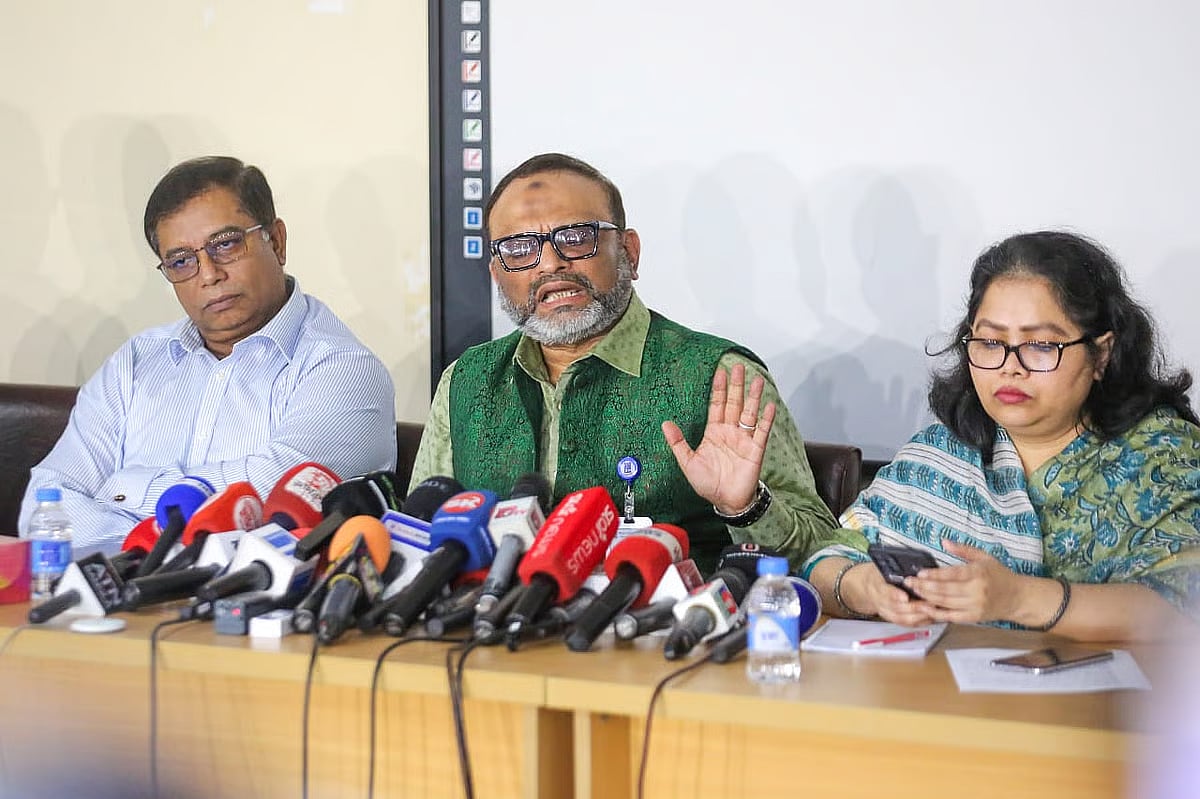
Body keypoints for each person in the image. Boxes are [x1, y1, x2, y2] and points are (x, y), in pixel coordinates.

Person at [408, 152, 837, 574]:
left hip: (670, 636)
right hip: (495, 630)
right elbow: (421, 535)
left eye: (576, 237)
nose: (551, 263)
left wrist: (744, 508)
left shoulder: (720, 376)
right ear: (497, 273)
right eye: (520, 249)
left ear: (629, 252)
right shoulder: (467, 381)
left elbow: (823, 550)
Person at [804, 231, 1200, 641]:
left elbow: (1185, 611)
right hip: (936, 695)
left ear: (1101, 354)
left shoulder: (1164, 456)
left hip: (1107, 701)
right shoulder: (940, 453)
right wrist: (867, 587)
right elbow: (826, 562)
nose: (1011, 367)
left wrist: (1018, 599)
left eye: (1042, 345)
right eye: (991, 341)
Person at [19, 156, 397, 552]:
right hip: (113, 601)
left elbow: (270, 500)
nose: (208, 274)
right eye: (181, 261)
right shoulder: (134, 364)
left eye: (226, 244)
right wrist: (146, 546)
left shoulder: (345, 370)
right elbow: (45, 506)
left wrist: (121, 491)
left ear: (277, 241)